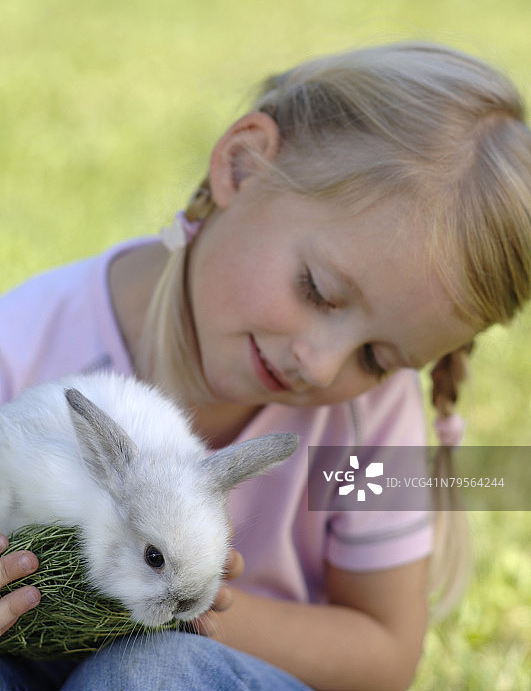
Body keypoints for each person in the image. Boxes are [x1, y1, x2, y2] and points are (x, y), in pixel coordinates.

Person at [1, 41, 530, 691]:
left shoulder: (367, 420)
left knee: (148, 673)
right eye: (318, 290)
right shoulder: (22, 348)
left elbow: (385, 653)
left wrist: (187, 601)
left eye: (375, 357)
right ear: (243, 166)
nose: (321, 363)